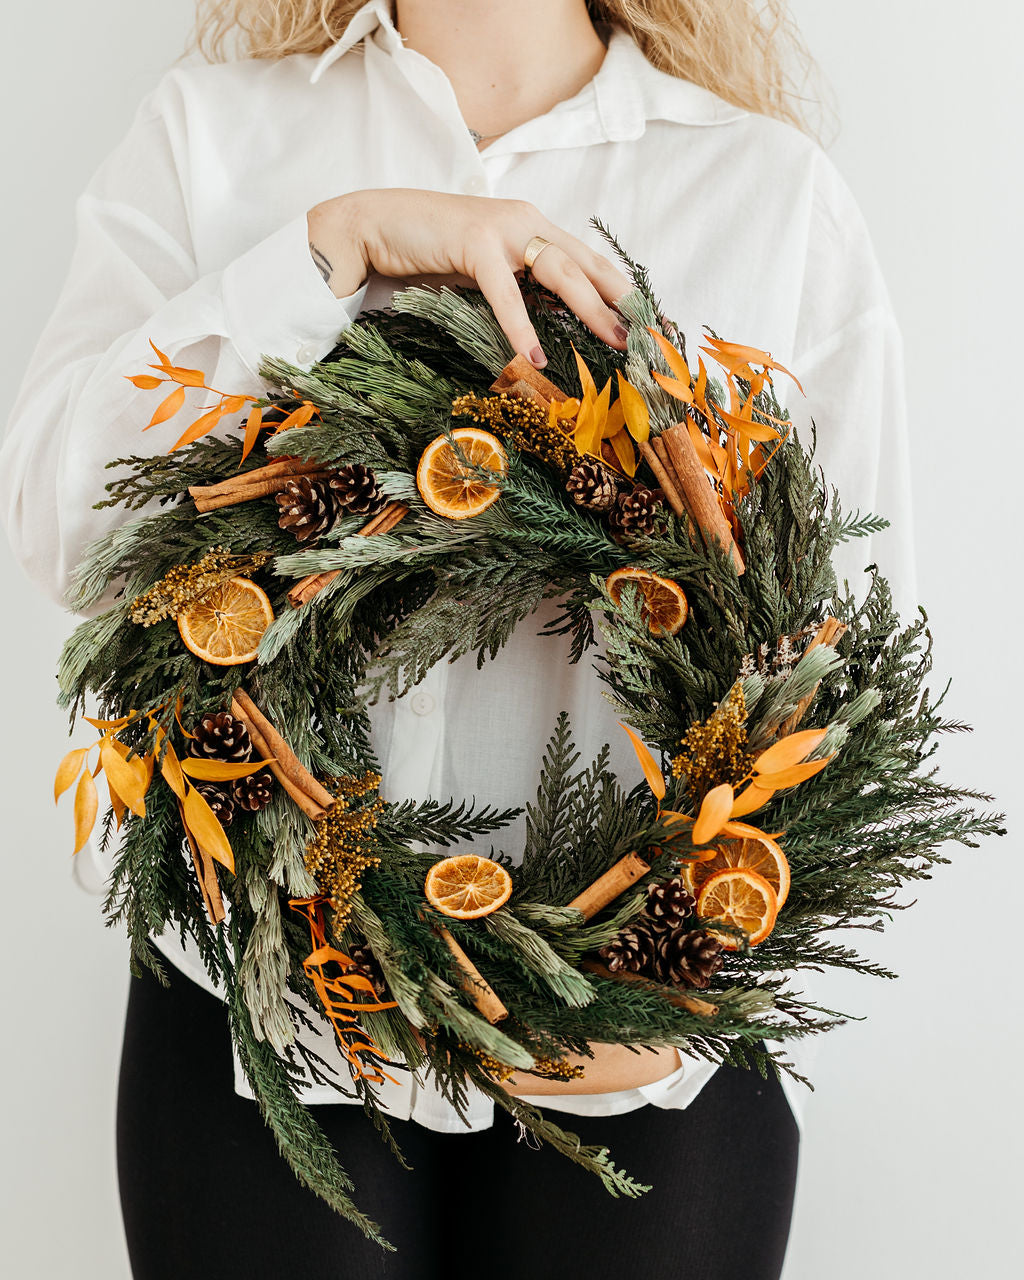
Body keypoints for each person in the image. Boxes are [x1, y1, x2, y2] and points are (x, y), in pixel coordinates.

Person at [0, 1, 914, 1276]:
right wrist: (329, 248)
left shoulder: (765, 191)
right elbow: (70, 531)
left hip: (651, 1048)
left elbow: (850, 673)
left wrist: (667, 987)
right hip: (262, 1012)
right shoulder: (214, 136)